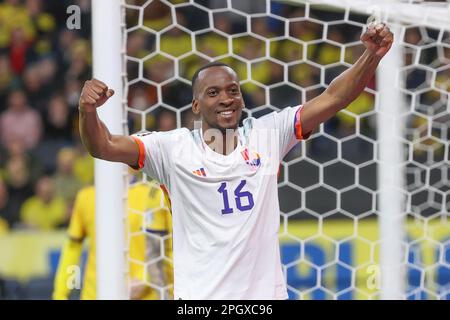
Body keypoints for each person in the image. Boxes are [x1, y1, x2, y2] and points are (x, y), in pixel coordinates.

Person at [78, 22, 393, 299]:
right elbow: (102, 146)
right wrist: (88, 111)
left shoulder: (268, 134)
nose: (226, 98)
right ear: (197, 106)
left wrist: (371, 56)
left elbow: (334, 98)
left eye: (233, 90)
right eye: (213, 93)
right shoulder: (172, 150)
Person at [52, 174, 172, 300]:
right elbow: (73, 249)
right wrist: (60, 294)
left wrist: (144, 278)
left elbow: (165, 247)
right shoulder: (86, 197)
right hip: (94, 294)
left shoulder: (152, 194)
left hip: (142, 294)